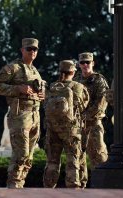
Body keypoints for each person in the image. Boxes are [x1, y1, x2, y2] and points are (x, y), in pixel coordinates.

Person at [0, 38, 46, 189]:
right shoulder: (13, 67)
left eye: (35, 49)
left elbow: (38, 91)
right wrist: (17, 89)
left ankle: (19, 187)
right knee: (21, 154)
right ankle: (13, 186)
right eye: (29, 49)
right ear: (22, 50)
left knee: (29, 157)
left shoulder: (35, 71)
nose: (32, 52)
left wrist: (41, 95)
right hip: (20, 115)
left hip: (35, 116)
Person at [43, 60, 89, 188]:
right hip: (71, 129)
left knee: (52, 161)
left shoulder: (52, 86)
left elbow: (45, 105)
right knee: (72, 160)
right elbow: (83, 105)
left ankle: (48, 188)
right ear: (73, 72)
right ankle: (73, 188)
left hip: (52, 128)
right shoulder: (78, 87)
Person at [75, 52, 109, 188]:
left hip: (93, 125)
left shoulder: (99, 80)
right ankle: (81, 189)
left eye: (87, 62)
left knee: (98, 157)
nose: (85, 65)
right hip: (77, 126)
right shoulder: (76, 80)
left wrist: (84, 116)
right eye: (82, 63)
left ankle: (104, 188)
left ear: (92, 63)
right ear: (78, 65)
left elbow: (101, 102)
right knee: (78, 159)